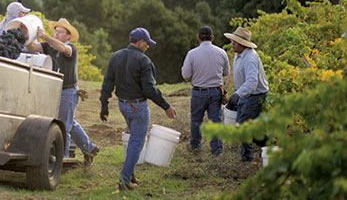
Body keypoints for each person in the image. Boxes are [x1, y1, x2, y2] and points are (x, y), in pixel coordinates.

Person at [100, 27, 177, 191]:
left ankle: (131, 174)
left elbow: (107, 83)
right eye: (147, 44)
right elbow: (149, 90)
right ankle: (124, 179)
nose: (147, 47)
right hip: (138, 107)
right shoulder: (144, 61)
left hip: (123, 105)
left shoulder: (115, 56)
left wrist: (104, 106)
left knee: (133, 140)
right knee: (137, 142)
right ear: (141, 42)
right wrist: (166, 106)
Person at [27, 18, 100, 166]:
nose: (57, 34)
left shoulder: (71, 49)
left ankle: (62, 160)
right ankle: (90, 148)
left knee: (64, 126)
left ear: (68, 36)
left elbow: (62, 49)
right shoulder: (49, 45)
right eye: (56, 31)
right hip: (55, 90)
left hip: (68, 92)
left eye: (61, 32)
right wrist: (29, 33)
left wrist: (45, 36)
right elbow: (32, 47)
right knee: (69, 122)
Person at [181, 26, 230, 156]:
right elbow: (226, 72)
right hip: (216, 92)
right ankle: (216, 151)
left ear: (198, 38)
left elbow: (186, 75)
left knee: (196, 120)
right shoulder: (221, 52)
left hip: (198, 91)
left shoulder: (192, 54)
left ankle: (196, 147)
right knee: (215, 121)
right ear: (212, 38)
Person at [224, 26, 269, 162]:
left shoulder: (250, 58)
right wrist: (237, 94)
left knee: (244, 125)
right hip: (246, 94)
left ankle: (266, 147)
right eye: (233, 41)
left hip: (255, 95)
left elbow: (252, 82)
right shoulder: (238, 55)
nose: (232, 44)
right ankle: (248, 154)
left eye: (235, 42)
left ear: (243, 44)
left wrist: (238, 94)